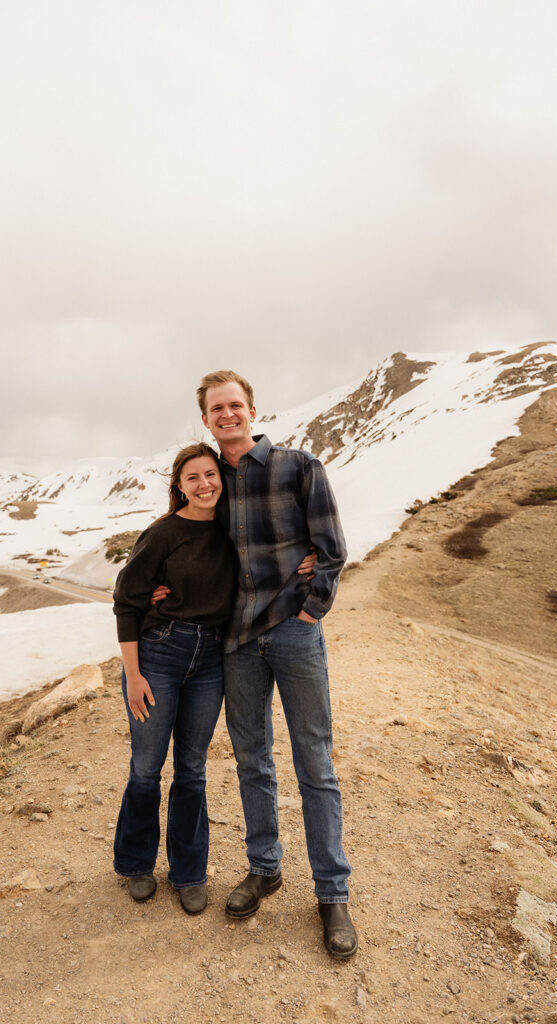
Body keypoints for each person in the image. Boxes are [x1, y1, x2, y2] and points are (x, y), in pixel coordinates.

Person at [197, 369, 357, 958]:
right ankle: (265, 868)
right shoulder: (209, 480)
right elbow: (189, 544)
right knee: (251, 759)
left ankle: (332, 892)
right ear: (207, 418)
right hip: (236, 641)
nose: (228, 415)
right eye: (217, 409)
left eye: (235, 405)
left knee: (314, 760)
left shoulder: (297, 466)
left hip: (293, 633)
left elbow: (333, 548)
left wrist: (311, 612)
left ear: (252, 409)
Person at [112, 442, 235, 915]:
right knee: (146, 767)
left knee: (193, 769)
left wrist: (310, 558)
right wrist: (134, 675)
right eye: (193, 478)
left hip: (210, 661)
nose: (204, 484)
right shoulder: (162, 533)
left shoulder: (231, 530)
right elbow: (127, 600)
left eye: (211, 475)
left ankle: (188, 873)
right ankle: (137, 864)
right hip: (160, 655)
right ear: (179, 486)